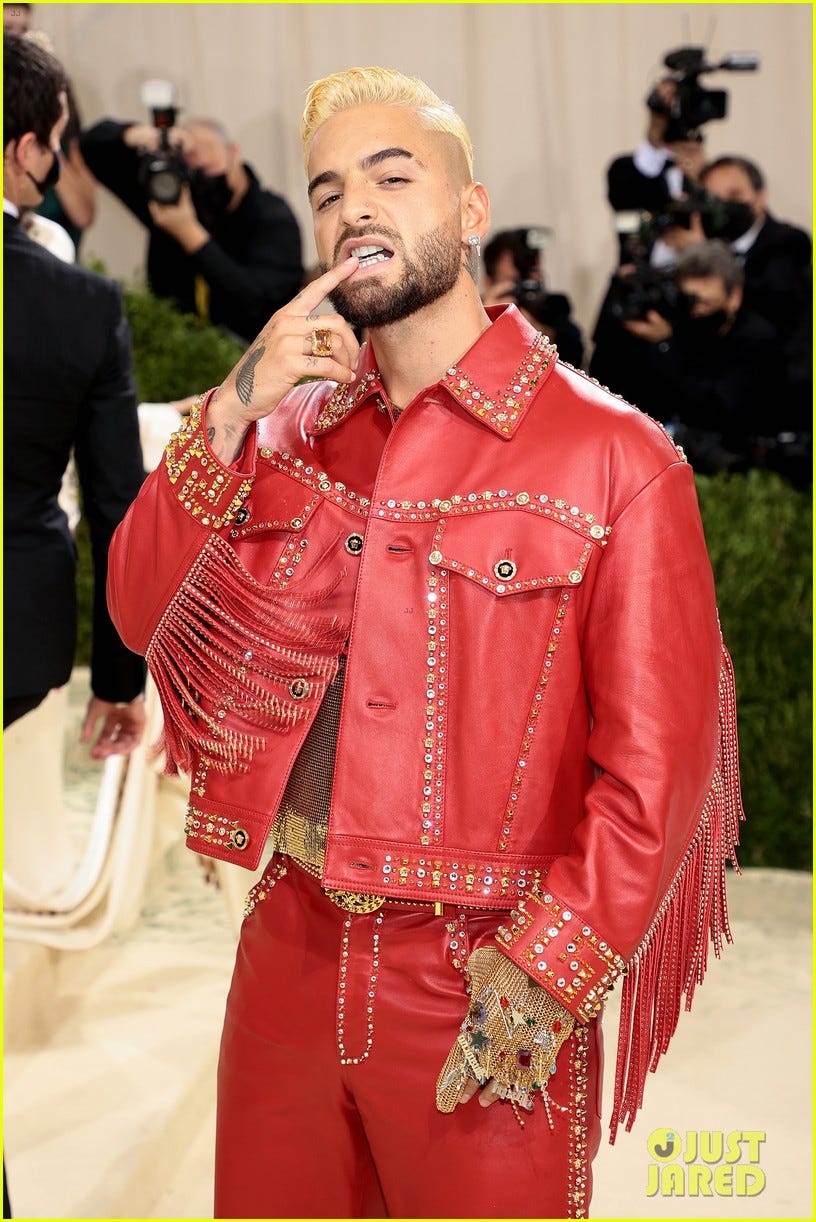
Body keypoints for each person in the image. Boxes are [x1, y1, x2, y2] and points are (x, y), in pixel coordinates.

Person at [108, 67, 743, 1219]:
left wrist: (550, 967)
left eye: (393, 175)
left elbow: (660, 772)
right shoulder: (288, 430)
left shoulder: (615, 456)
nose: (356, 205)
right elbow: (140, 611)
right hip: (286, 954)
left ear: (469, 210)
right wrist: (233, 405)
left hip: (485, 976)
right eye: (330, 187)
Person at [4, 33, 146, 749]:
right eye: (56, 140)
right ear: (24, 150)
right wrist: (120, 682)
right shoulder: (82, 304)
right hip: (16, 635)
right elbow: (117, 505)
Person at [80, 111, 303, 342]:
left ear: (233, 152)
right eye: (192, 171)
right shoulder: (173, 198)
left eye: (207, 169)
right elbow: (90, 146)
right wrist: (147, 136)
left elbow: (259, 303)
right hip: (174, 351)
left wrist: (189, 234)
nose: (202, 180)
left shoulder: (273, 218)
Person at [621, 239, 779, 472]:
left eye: (706, 303)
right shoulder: (679, 323)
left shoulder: (757, 339)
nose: (697, 311)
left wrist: (665, 345)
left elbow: (716, 408)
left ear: (734, 297)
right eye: (689, 302)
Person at [482, 227, 584, 366]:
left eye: (531, 278)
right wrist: (487, 326)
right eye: (514, 282)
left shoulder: (552, 315)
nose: (526, 288)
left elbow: (575, 361)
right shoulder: (471, 319)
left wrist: (540, 336)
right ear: (488, 284)